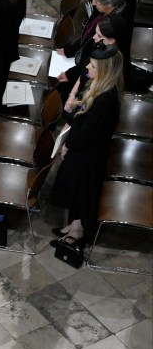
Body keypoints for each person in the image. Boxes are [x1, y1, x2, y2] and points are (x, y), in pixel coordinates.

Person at [51, 44, 123, 247]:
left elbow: (88, 131)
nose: (88, 69)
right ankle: (74, 224)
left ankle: (79, 230)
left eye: (92, 66)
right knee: (76, 189)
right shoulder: (97, 85)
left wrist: (68, 145)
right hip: (84, 147)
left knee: (82, 190)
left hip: (88, 153)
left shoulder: (105, 99)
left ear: (104, 71)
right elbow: (83, 106)